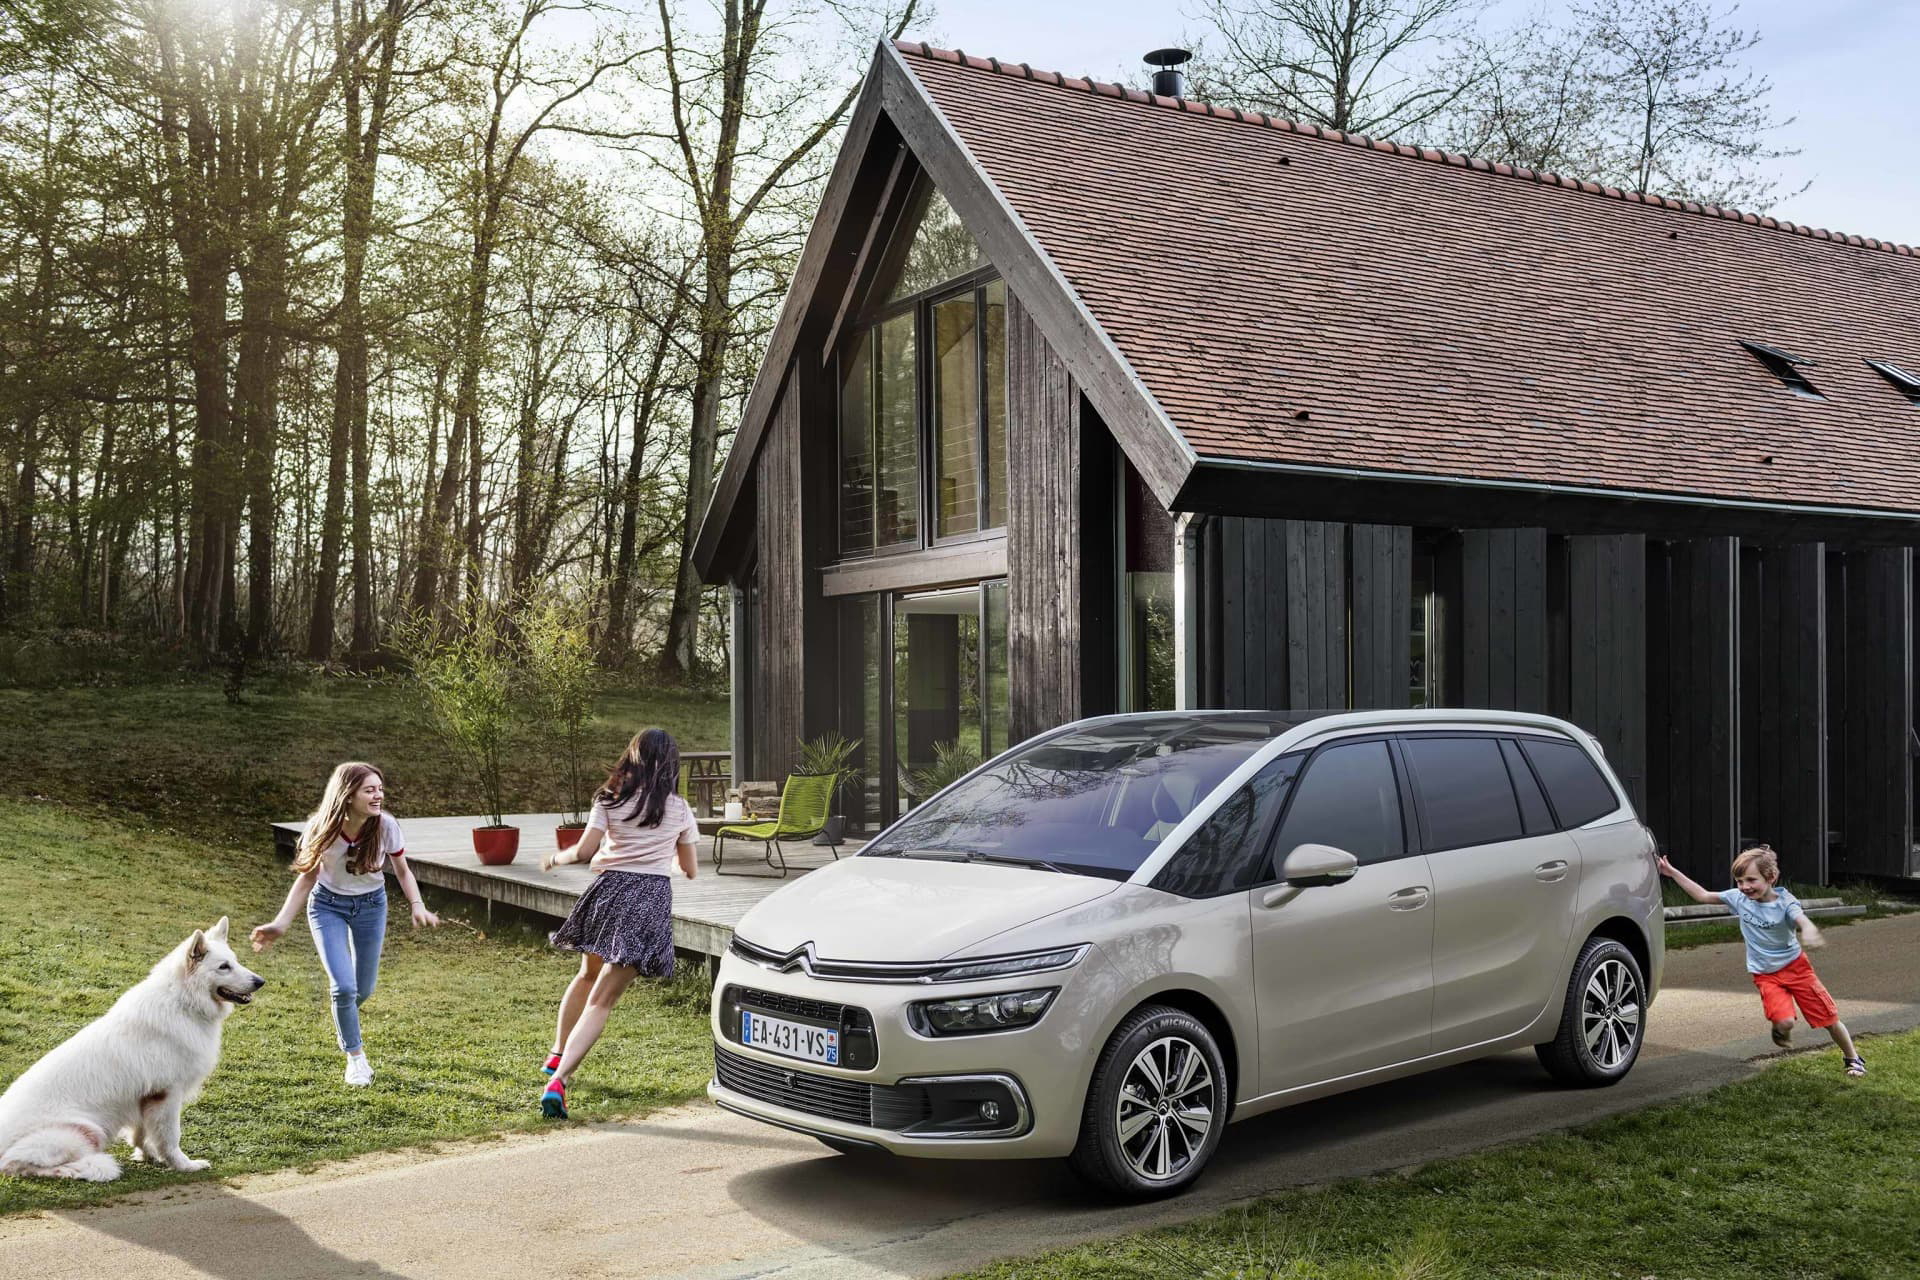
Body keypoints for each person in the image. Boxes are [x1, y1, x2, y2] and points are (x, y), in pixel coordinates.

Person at [536, 728, 698, 1118]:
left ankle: (557, 1054)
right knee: (602, 1000)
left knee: (586, 975)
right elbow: (690, 868)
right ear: (671, 764)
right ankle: (559, 1081)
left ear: (633, 757)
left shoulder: (609, 798)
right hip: (647, 900)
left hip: (607, 892)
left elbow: (584, 851)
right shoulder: (678, 808)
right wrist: (667, 858)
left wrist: (555, 858)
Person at [250, 762, 440, 1085]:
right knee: (344, 988)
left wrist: (417, 905)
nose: (378, 796)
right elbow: (307, 878)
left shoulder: (386, 825)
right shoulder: (322, 828)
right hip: (327, 906)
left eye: (380, 789)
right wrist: (281, 923)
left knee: (362, 989)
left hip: (371, 907)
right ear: (348, 795)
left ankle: (343, 1010)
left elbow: (403, 870)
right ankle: (356, 1059)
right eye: (370, 790)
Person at [1658, 843, 1865, 1078]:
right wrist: (1672, 872)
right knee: (1785, 1022)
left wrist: (1808, 929)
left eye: (1751, 880)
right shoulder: (1738, 898)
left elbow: (1800, 918)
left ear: (1771, 878)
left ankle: (1853, 1058)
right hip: (1765, 975)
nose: (1744, 886)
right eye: (1739, 881)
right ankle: (1781, 1029)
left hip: (1797, 969)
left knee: (1829, 1018)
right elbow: (1703, 895)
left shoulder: (1785, 902)